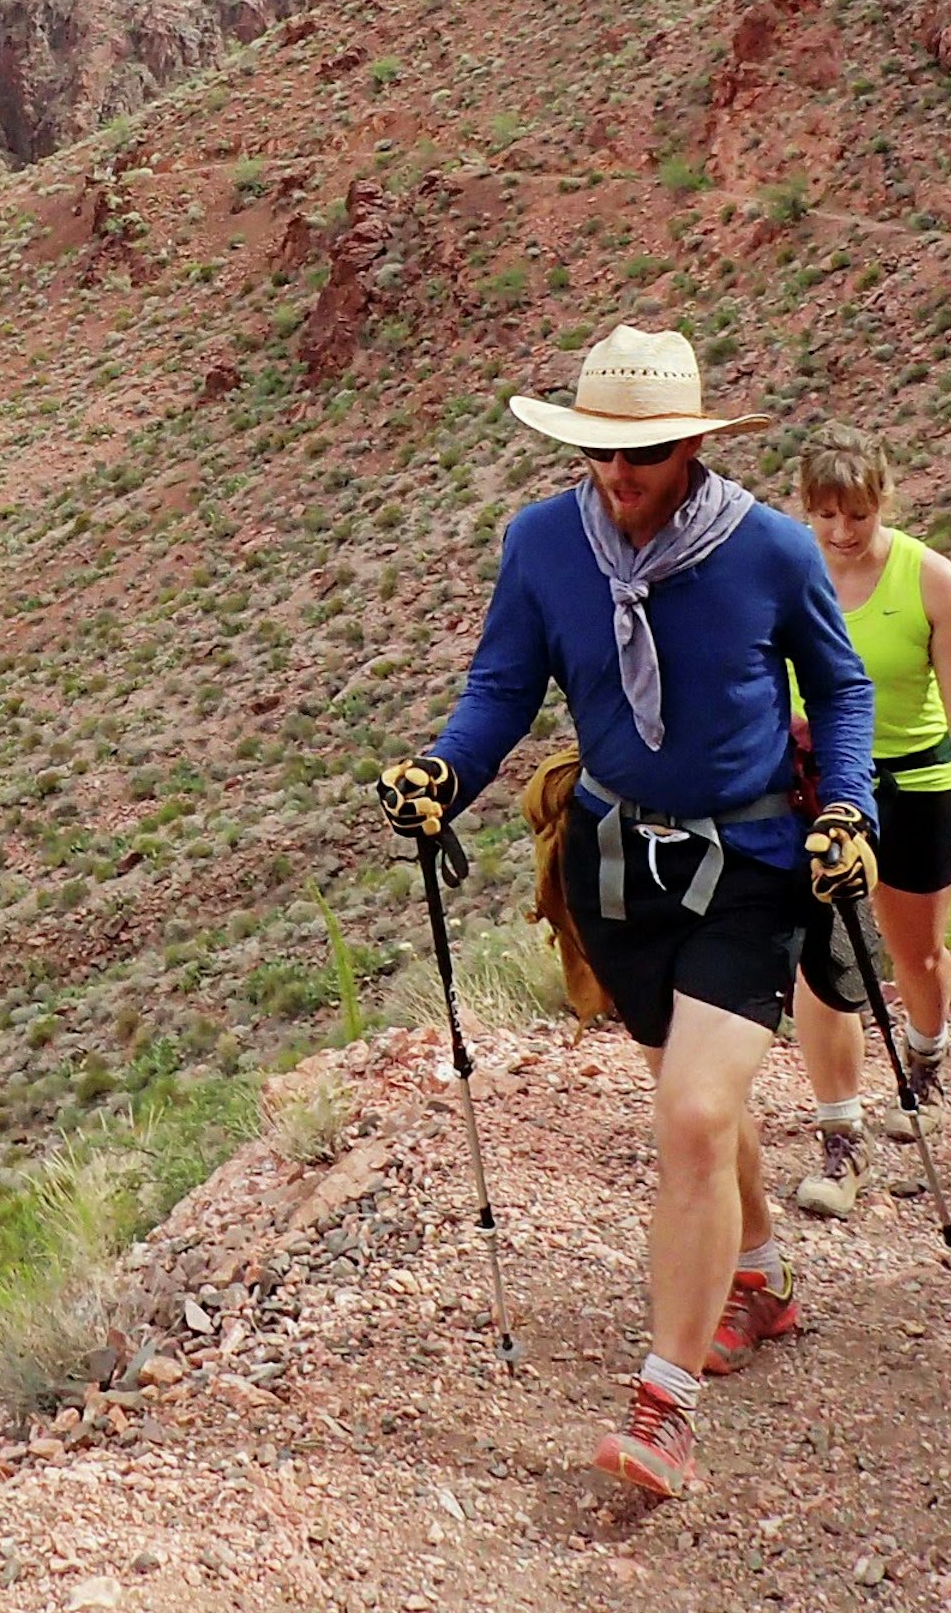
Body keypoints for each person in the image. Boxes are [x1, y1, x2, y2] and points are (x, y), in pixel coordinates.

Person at [375, 326, 874, 1505]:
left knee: (695, 1113)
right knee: (693, 1096)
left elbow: (841, 684)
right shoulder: (546, 546)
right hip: (617, 870)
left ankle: (665, 1408)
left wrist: (846, 805)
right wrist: (447, 772)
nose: (620, 474)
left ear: (694, 442)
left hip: (753, 860)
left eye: (643, 452)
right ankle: (757, 1274)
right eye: (601, 451)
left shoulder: (771, 549)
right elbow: (504, 685)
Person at [783, 429, 951, 1220]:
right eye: (827, 516)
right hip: (820, 795)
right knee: (827, 961)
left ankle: (926, 1056)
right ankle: (840, 1142)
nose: (843, 533)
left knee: (917, 956)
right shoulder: (788, 573)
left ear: (885, 502)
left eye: (859, 515)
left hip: (915, 786)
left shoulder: (930, 580)